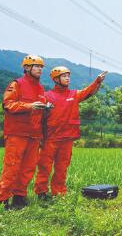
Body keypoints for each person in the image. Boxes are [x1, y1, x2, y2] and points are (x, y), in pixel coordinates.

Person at [34, 67, 107, 198]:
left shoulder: (74, 94)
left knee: (62, 168)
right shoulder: (47, 96)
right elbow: (38, 118)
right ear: (56, 79)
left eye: (68, 76)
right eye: (64, 76)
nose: (67, 78)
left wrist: (97, 82)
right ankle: (41, 192)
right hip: (50, 138)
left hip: (67, 138)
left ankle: (59, 192)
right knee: (44, 167)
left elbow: (88, 92)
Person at [0, 54, 49, 210]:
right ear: (26, 68)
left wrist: (46, 108)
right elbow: (7, 104)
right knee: (12, 167)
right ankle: (2, 199)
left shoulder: (40, 88)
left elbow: (39, 108)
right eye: (36, 66)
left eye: (41, 67)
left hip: (34, 134)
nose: (39, 69)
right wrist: (28, 106)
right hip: (17, 133)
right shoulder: (17, 84)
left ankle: (19, 197)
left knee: (28, 168)